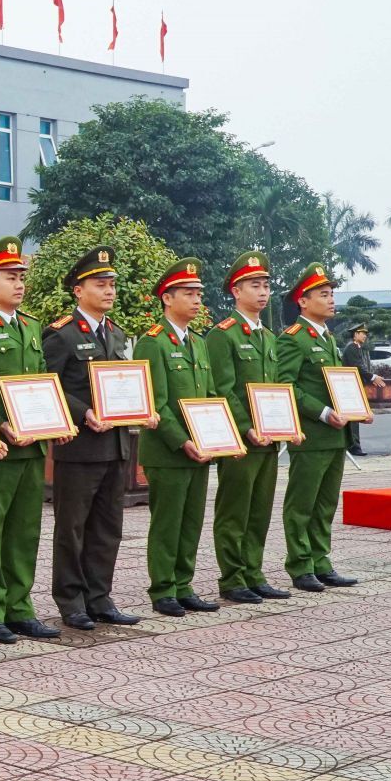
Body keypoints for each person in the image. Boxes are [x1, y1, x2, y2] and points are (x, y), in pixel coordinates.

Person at [42, 246, 157, 630]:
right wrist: (82, 412)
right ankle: (71, 601)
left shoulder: (117, 334)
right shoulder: (61, 335)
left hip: (116, 445)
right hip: (79, 447)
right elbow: (48, 384)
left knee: (108, 527)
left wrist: (143, 407)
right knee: (72, 528)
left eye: (111, 284)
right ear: (78, 290)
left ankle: (100, 597)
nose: (109, 291)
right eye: (100, 284)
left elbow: (126, 383)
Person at [0, 237, 63, 644]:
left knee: (25, 531)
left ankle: (20, 608)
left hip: (32, 445)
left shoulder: (30, 325)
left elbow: (39, 381)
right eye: (10, 277)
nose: (19, 284)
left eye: (21, 277)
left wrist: (53, 418)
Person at [135, 258, 220, 617]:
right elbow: (155, 402)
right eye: (188, 293)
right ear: (167, 298)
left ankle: (184, 585)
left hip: (200, 449)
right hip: (168, 451)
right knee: (168, 522)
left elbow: (210, 395)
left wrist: (216, 437)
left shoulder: (198, 343)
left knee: (191, 521)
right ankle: (163, 588)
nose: (197, 300)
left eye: (199, 294)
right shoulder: (152, 343)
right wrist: (184, 440)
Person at [207, 251, 291, 604]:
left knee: (259, 511)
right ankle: (232, 577)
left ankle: (254, 573)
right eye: (254, 285)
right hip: (243, 440)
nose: (263, 292)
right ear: (236, 291)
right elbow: (222, 389)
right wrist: (245, 427)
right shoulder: (223, 335)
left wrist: (285, 424)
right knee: (234, 511)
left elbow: (276, 388)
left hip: (269, 439)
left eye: (266, 286)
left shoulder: (268, 337)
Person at [278, 264, 368, 592]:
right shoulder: (293, 339)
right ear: (303, 301)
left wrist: (358, 408)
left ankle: (320, 560)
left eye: (332, 294)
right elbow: (286, 385)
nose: (331, 300)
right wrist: (323, 412)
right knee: (302, 503)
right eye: (324, 294)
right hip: (312, 433)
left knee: (326, 503)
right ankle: (300, 565)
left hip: (335, 434)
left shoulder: (327, 337)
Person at [340, 323, 370, 456]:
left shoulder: (357, 347)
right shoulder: (352, 347)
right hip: (350, 385)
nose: (365, 336)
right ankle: (354, 446)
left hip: (354, 385)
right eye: (362, 333)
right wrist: (372, 377)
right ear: (355, 334)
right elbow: (358, 366)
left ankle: (352, 445)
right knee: (353, 417)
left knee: (353, 417)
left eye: (365, 334)